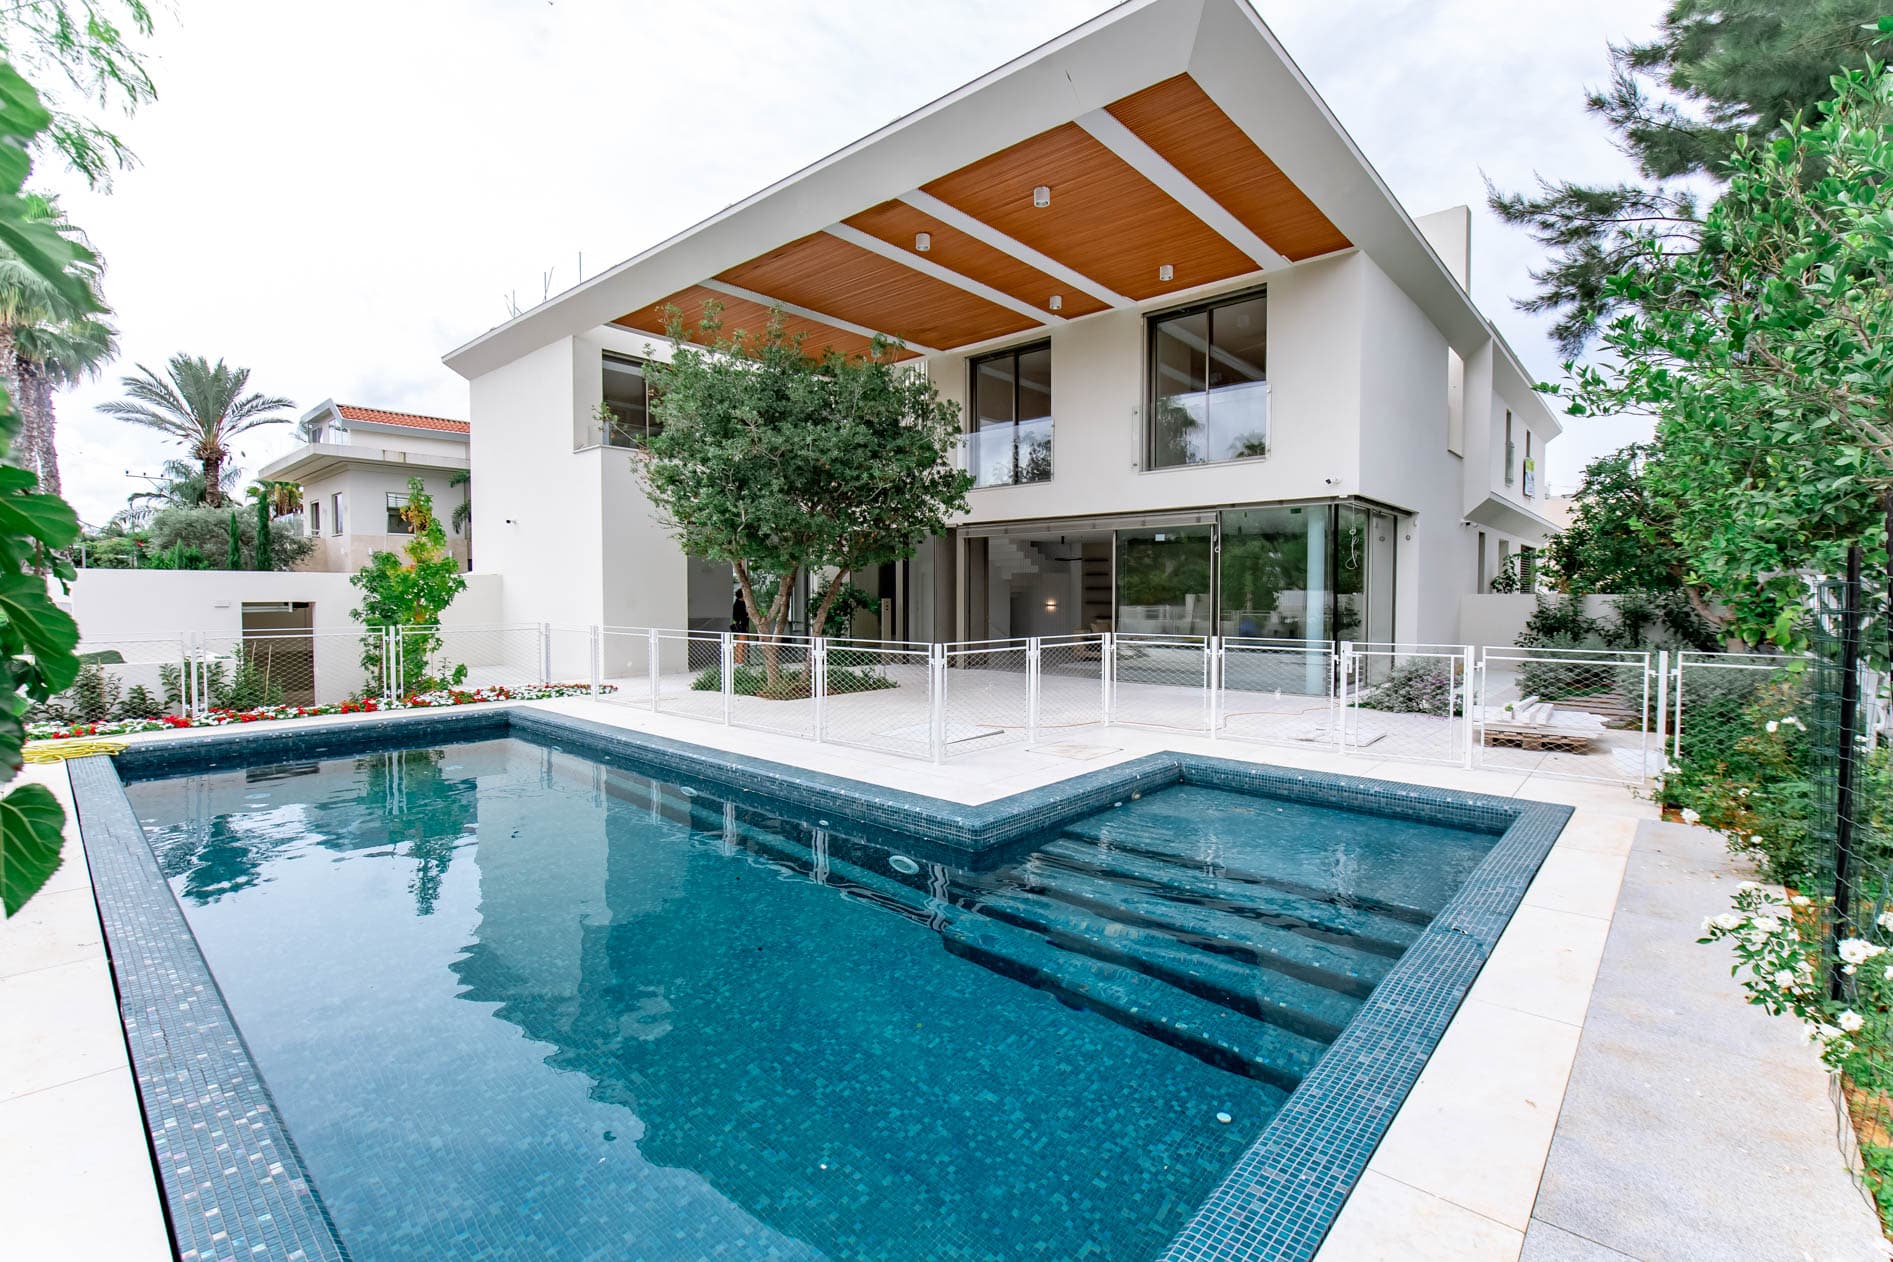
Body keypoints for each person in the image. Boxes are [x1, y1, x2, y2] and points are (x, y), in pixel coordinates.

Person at [731, 594, 751, 664]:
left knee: (739, 644)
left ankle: (737, 659)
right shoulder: (740, 605)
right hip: (742, 626)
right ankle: (740, 661)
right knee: (741, 644)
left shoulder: (736, 604)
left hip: (740, 625)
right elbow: (742, 616)